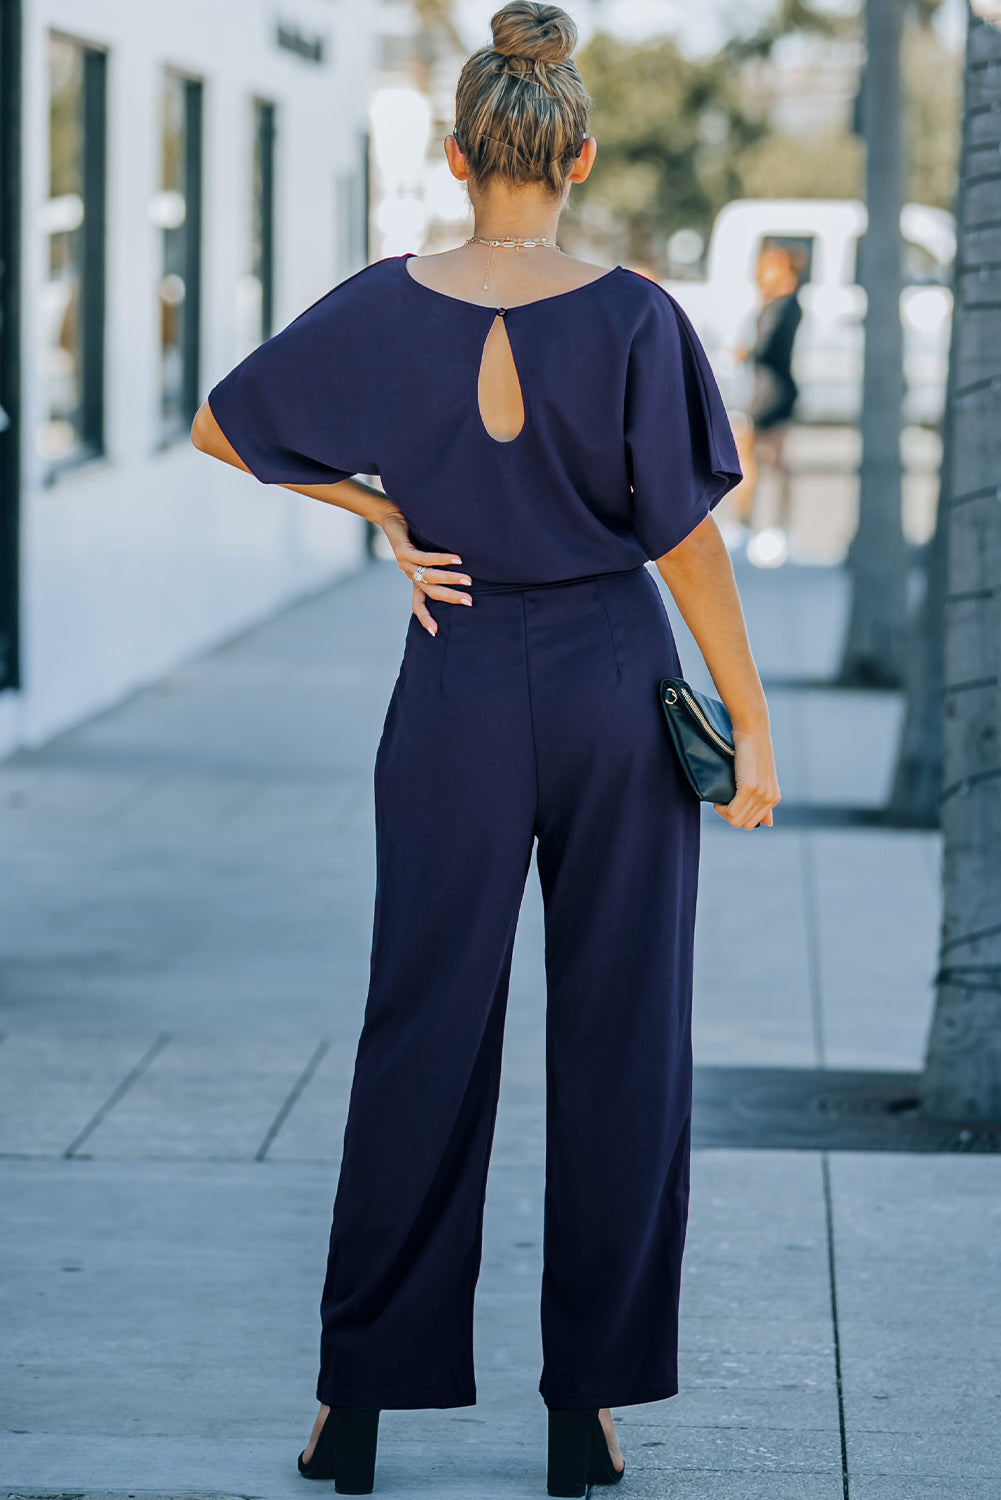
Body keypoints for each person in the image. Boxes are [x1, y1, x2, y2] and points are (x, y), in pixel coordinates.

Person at [191, 3, 781, 1493]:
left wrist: (385, 514)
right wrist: (751, 725)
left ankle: (357, 1409)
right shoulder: (637, 313)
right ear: (575, 153)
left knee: (422, 1034)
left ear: (460, 155)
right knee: (623, 1041)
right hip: (610, 681)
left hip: (452, 683)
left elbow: (221, 427)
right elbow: (691, 549)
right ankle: (586, 1410)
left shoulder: (382, 305)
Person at [728, 244, 803, 567]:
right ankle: (772, 527)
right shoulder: (777, 303)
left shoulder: (784, 306)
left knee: (755, 459)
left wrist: (744, 352)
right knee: (772, 460)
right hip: (772, 390)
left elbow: (765, 347)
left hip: (769, 392)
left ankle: (750, 526)